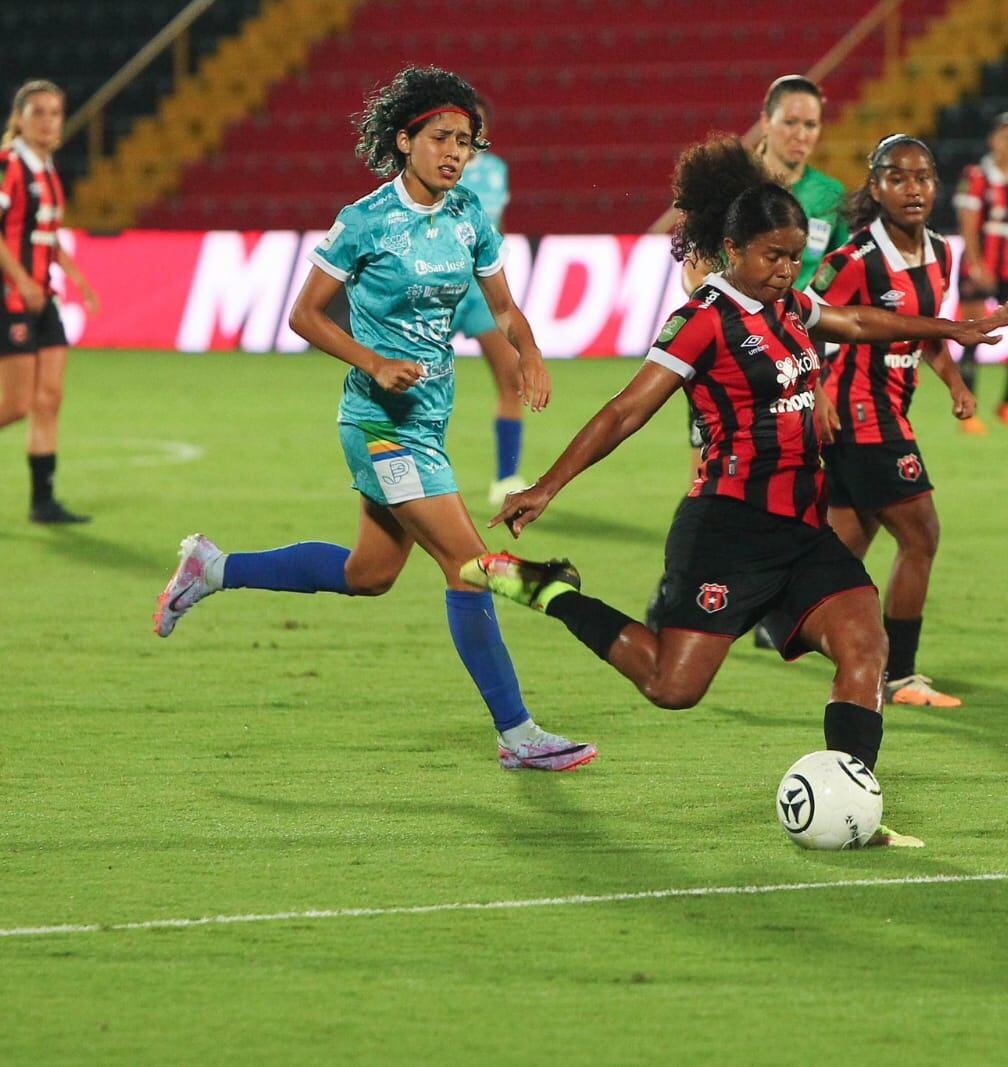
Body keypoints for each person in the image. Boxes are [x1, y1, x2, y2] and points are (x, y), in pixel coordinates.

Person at [462, 136, 1008, 840]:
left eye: (794, 257)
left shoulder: (788, 306)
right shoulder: (703, 322)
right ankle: (553, 590)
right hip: (727, 531)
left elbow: (855, 321)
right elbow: (625, 410)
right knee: (673, 687)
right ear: (732, 250)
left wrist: (951, 328)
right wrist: (546, 486)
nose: (787, 271)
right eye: (773, 257)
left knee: (864, 648)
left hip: (803, 531)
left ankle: (855, 803)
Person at [152, 66, 593, 773]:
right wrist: (370, 361)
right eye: (443, 138)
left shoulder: (468, 216)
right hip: (379, 423)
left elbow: (504, 308)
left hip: (429, 422)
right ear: (405, 139)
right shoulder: (365, 222)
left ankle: (215, 567)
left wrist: (530, 352)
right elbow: (304, 313)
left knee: (370, 573)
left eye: (467, 142)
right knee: (468, 565)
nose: (456, 153)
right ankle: (518, 731)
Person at [651, 75, 849, 643]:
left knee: (793, 479)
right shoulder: (732, 182)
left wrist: (822, 379)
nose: (801, 135)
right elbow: (694, 263)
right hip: (731, 360)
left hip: (799, 362)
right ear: (766, 121)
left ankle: (773, 605)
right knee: (711, 480)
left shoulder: (829, 198)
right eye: (791, 121)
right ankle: (680, 591)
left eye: (811, 124)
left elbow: (827, 290)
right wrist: (735, 324)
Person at [811, 134, 975, 708]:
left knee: (840, 548)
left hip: (889, 411)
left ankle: (778, 615)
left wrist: (954, 382)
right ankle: (899, 673)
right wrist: (816, 393)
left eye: (924, 177)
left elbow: (926, 331)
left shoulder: (941, 253)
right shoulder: (852, 260)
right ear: (876, 186)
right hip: (859, 415)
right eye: (899, 178)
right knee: (921, 535)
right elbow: (798, 322)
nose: (914, 189)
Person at [0, 79, 99, 524]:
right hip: (13, 296)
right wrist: (20, 279)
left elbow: (45, 236)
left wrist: (79, 280)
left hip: (44, 295)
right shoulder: (9, 164)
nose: (47, 121)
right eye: (37, 112)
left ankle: (44, 501)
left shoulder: (46, 165)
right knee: (16, 404)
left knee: (50, 397)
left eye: (55, 113)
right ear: (19, 117)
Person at [448, 99, 527, 508]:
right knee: (416, 380)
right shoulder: (443, 166)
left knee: (511, 380)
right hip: (440, 283)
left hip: (483, 291)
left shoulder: (496, 169)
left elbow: (497, 227)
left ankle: (506, 476)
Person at [953, 111, 1008, 436]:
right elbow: (968, 223)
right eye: (1007, 138)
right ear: (993, 141)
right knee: (973, 336)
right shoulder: (976, 175)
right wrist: (976, 265)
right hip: (978, 264)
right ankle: (968, 409)